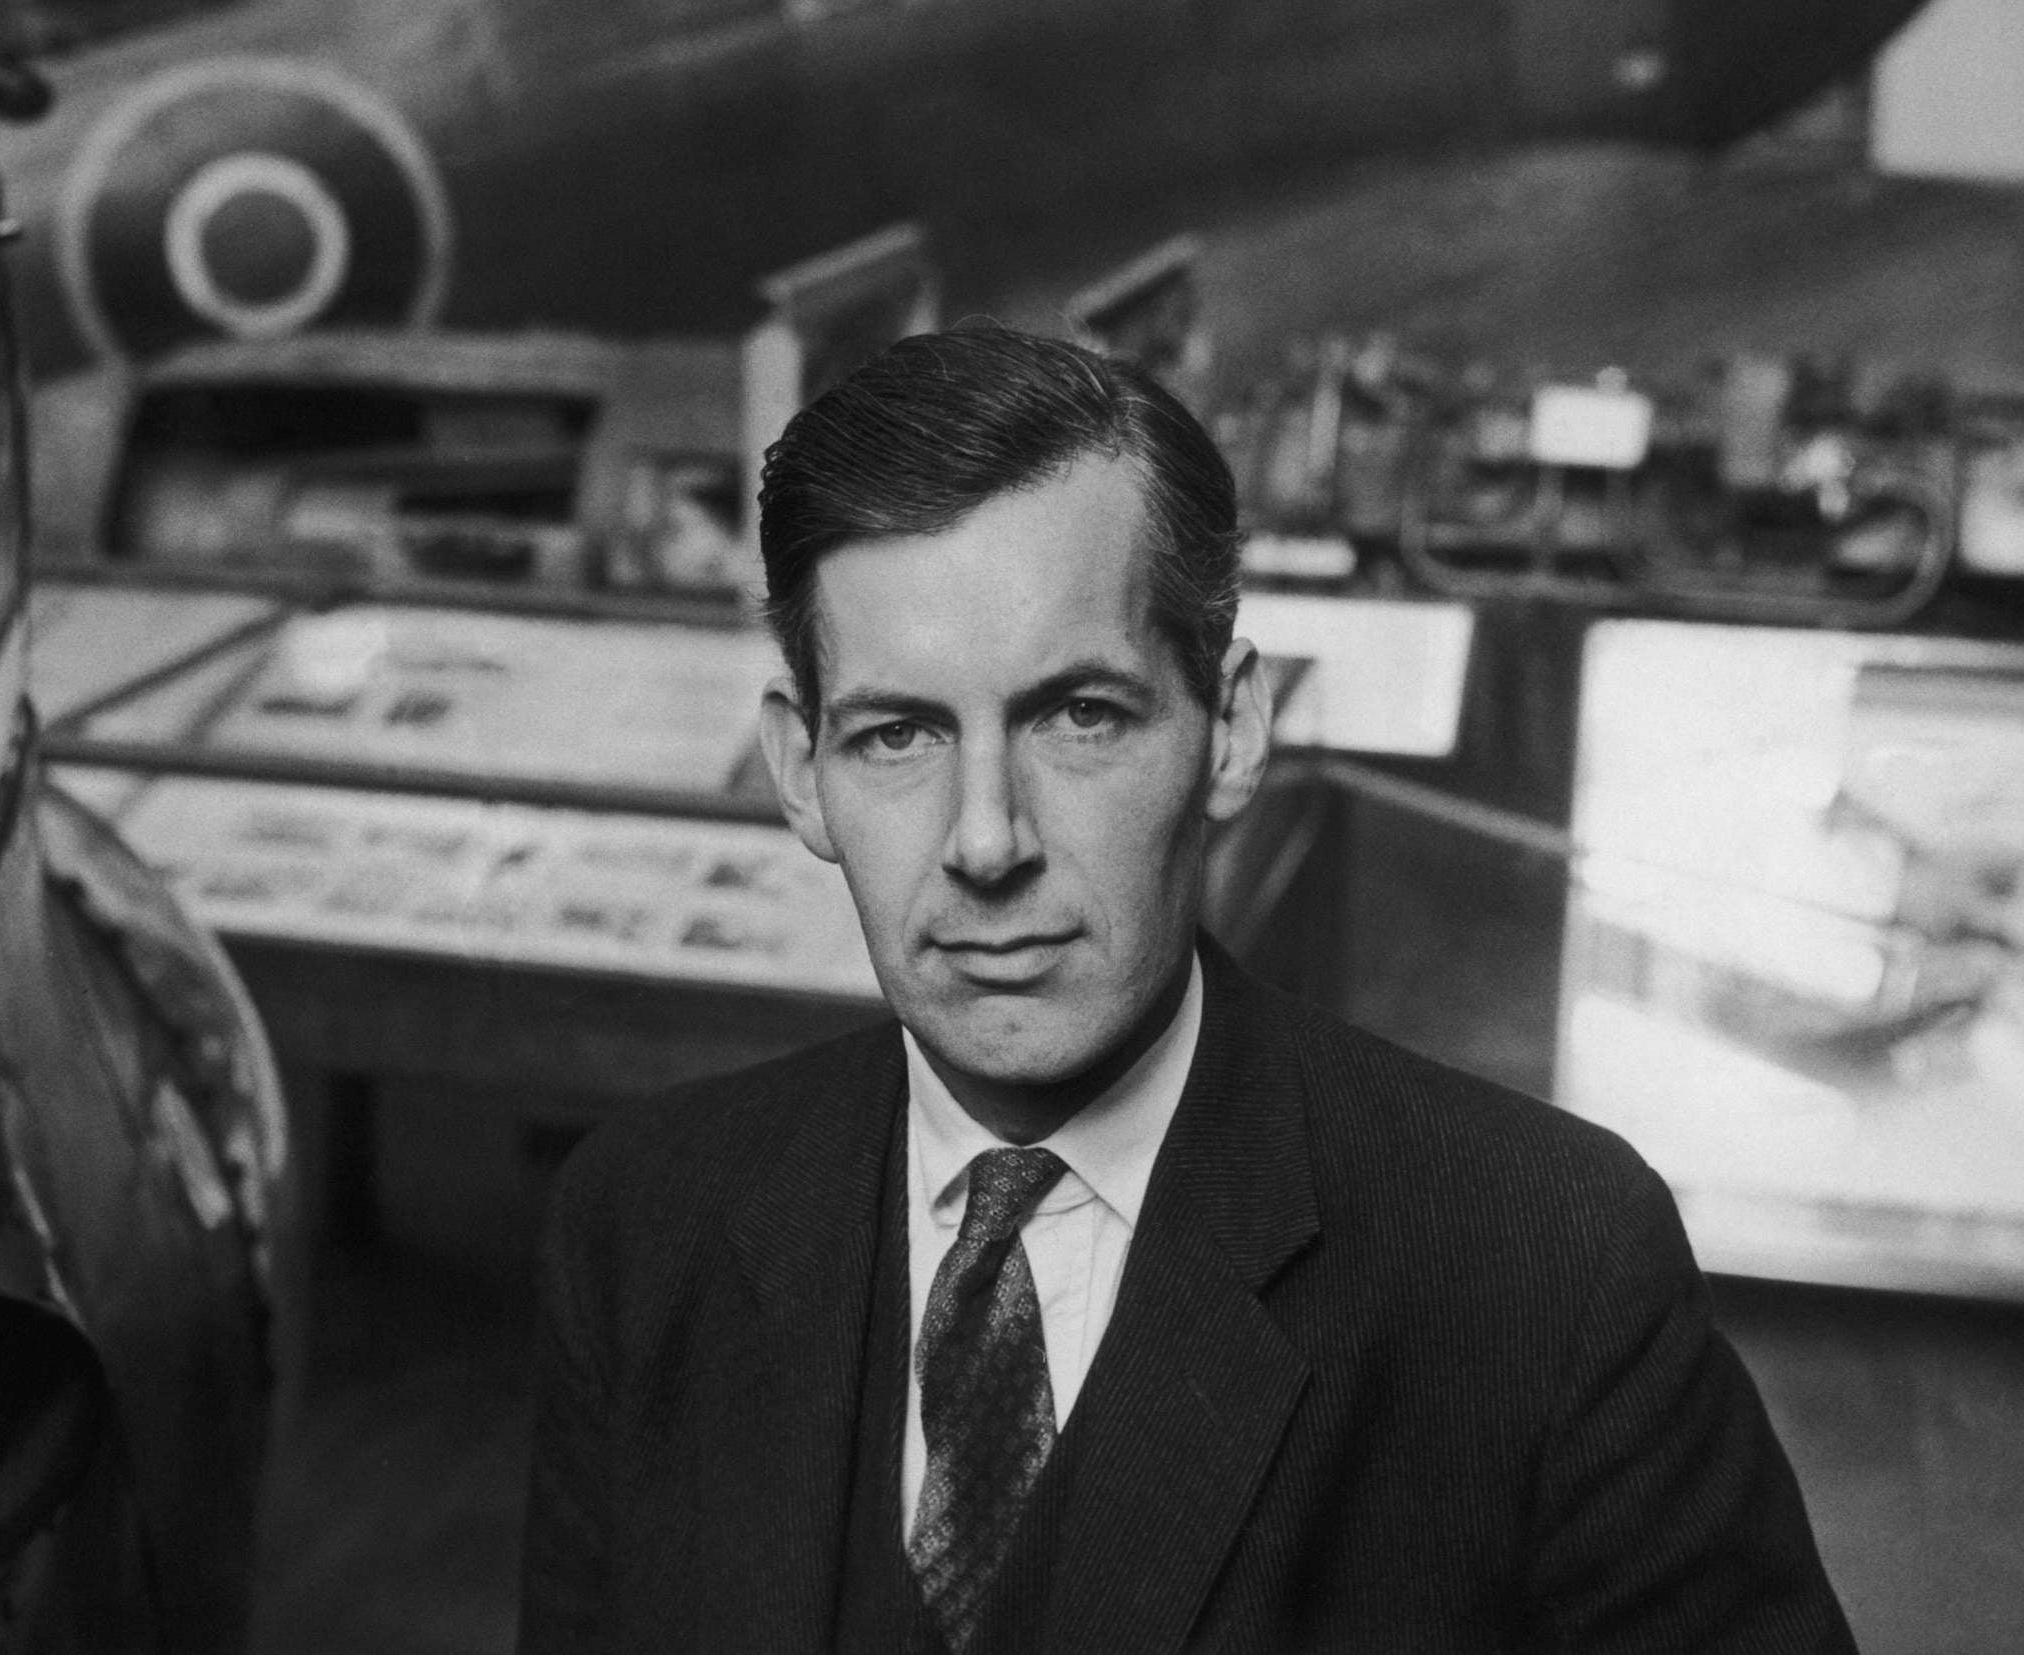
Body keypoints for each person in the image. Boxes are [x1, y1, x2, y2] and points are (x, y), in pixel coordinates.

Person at [518, 326, 1855, 1653]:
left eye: (1079, 717)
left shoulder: (1548, 1269)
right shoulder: (646, 1225)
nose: (987, 840)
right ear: (801, 773)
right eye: (900, 734)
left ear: (1233, 730)